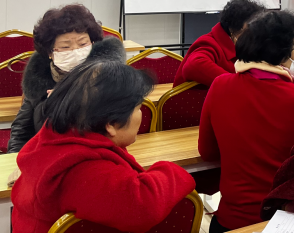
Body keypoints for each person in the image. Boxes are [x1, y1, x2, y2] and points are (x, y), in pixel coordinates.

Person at [11, 60, 195, 233]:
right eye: (138, 108)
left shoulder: (57, 136)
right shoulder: (85, 169)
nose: (141, 114)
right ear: (111, 124)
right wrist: (172, 170)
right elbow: (145, 207)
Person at [198, 9, 294, 232]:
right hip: (288, 222)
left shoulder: (220, 86)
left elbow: (208, 152)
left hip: (231, 221)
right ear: (284, 52)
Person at [8, 4, 125, 156]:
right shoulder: (38, 81)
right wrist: (15, 160)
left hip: (97, 158)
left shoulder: (109, 78)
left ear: (93, 44)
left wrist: (74, 101)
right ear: (50, 53)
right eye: (65, 47)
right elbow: (21, 132)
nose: (76, 51)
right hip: (49, 158)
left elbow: (118, 129)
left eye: (83, 44)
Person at [174, 0, 265, 87]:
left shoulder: (240, 44)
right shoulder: (209, 42)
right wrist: (237, 84)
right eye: (249, 27)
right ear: (233, 28)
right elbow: (193, 65)